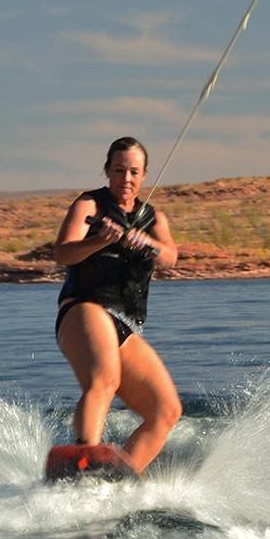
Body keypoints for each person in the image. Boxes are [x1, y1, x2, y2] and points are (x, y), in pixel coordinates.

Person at [52, 136, 182, 473]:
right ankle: (83, 458)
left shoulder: (153, 219)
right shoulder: (89, 206)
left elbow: (170, 257)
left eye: (134, 172)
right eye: (119, 170)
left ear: (144, 176)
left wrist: (147, 244)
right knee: (105, 378)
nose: (126, 178)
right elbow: (62, 252)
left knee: (166, 410)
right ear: (107, 170)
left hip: (124, 324)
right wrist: (98, 240)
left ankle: (120, 479)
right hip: (84, 307)